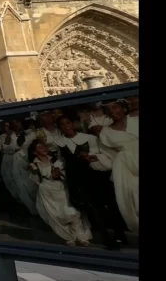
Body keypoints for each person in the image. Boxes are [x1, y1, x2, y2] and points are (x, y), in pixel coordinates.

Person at [55, 115, 127, 249]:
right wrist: (57, 168)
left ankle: (119, 233)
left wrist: (91, 157)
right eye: (62, 124)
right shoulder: (60, 142)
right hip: (76, 179)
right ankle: (106, 238)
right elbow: (62, 160)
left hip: (95, 176)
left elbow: (101, 153)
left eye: (68, 122)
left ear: (73, 123)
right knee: (92, 208)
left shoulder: (89, 138)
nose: (66, 126)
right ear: (59, 127)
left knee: (110, 205)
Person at [28, 139, 92, 247]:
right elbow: (36, 181)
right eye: (39, 147)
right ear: (35, 152)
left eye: (43, 146)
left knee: (72, 213)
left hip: (61, 187)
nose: (43, 148)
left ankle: (82, 237)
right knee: (58, 215)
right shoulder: (34, 165)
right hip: (48, 191)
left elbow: (65, 172)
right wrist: (38, 175)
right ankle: (69, 237)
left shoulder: (55, 160)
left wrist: (59, 174)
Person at [99, 100, 139, 233]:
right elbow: (108, 155)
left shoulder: (136, 121)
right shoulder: (105, 133)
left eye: (115, 107)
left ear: (123, 108)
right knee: (133, 195)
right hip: (125, 167)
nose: (112, 111)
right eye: (108, 109)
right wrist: (97, 159)